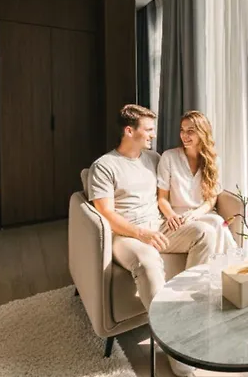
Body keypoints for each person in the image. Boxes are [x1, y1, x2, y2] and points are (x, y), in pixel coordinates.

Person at [86, 104, 213, 377]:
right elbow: (105, 214)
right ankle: (176, 347)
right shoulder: (104, 166)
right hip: (125, 235)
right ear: (129, 131)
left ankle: (189, 306)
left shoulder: (153, 158)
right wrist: (141, 233)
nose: (153, 135)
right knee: (148, 261)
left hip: (158, 226)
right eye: (149, 130)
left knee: (205, 232)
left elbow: (169, 190)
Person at [157, 111, 237, 254]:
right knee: (217, 223)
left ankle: (225, 262)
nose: (184, 135)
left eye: (190, 131)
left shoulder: (214, 161)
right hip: (178, 218)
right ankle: (231, 260)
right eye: (182, 130)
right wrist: (171, 216)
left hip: (202, 214)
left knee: (217, 222)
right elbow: (162, 198)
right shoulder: (169, 157)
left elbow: (211, 198)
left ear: (202, 133)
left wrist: (196, 213)